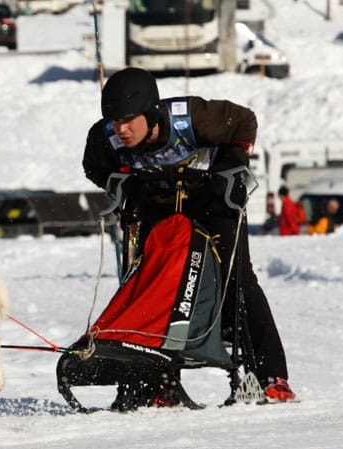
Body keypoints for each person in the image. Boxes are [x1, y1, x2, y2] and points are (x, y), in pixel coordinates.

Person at [82, 67, 294, 403]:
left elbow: (244, 121)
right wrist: (123, 182)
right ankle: (157, 383)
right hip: (157, 208)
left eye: (128, 120)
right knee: (151, 285)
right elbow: (95, 167)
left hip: (213, 204)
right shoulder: (105, 137)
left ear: (150, 113)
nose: (120, 129)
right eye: (115, 120)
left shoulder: (191, 117)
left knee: (237, 280)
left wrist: (233, 163)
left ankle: (272, 375)